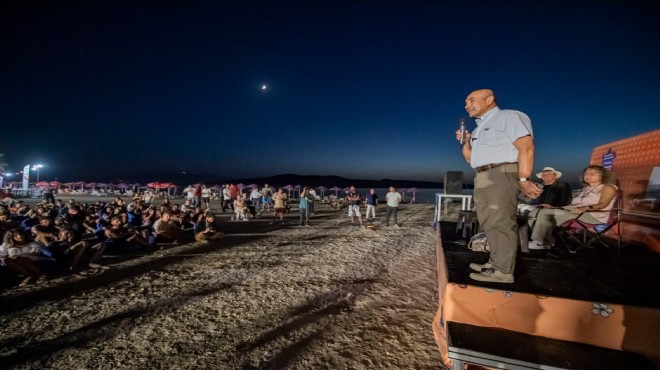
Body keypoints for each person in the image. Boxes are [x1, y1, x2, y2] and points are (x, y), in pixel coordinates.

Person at [457, 89, 541, 284]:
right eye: (466, 101)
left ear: (489, 99)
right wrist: (466, 141)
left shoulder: (509, 116)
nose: (467, 105)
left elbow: (526, 148)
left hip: (501, 174)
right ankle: (495, 263)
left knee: (500, 221)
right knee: (489, 221)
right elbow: (471, 159)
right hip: (483, 175)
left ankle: (503, 271)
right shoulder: (479, 129)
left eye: (472, 100)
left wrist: (523, 179)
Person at [529, 165, 617, 249]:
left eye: (593, 173)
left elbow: (603, 204)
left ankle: (540, 242)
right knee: (535, 212)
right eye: (586, 173)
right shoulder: (585, 189)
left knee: (544, 213)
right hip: (574, 211)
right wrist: (552, 207)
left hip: (592, 215)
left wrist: (585, 208)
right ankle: (547, 239)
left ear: (603, 175)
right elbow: (572, 205)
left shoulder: (608, 187)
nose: (588, 175)